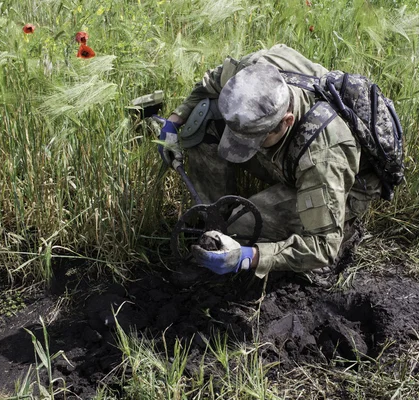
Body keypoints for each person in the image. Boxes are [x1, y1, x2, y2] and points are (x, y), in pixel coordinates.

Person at [154, 44, 382, 279]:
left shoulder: (324, 156)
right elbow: (211, 81)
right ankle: (214, 221)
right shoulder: (253, 70)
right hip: (289, 159)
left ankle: (343, 226)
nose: (237, 146)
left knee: (240, 226)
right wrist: (174, 122)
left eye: (254, 139)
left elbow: (323, 248)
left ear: (286, 121)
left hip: (341, 186)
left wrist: (248, 257)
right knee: (201, 120)